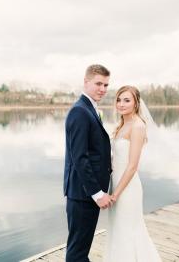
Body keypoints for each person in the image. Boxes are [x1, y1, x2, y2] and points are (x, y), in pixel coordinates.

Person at [104, 85, 161, 261]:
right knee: (118, 229)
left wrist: (116, 194)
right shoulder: (122, 124)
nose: (121, 104)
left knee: (128, 230)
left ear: (136, 103)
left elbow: (132, 166)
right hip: (116, 184)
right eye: (119, 100)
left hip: (127, 189)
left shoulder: (137, 126)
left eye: (127, 100)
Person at [64, 64, 113, 262]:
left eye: (106, 85)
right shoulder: (80, 112)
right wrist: (97, 193)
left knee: (80, 249)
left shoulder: (89, 109)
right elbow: (79, 158)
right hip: (84, 194)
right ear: (86, 82)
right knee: (77, 253)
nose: (102, 89)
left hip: (85, 194)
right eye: (98, 83)